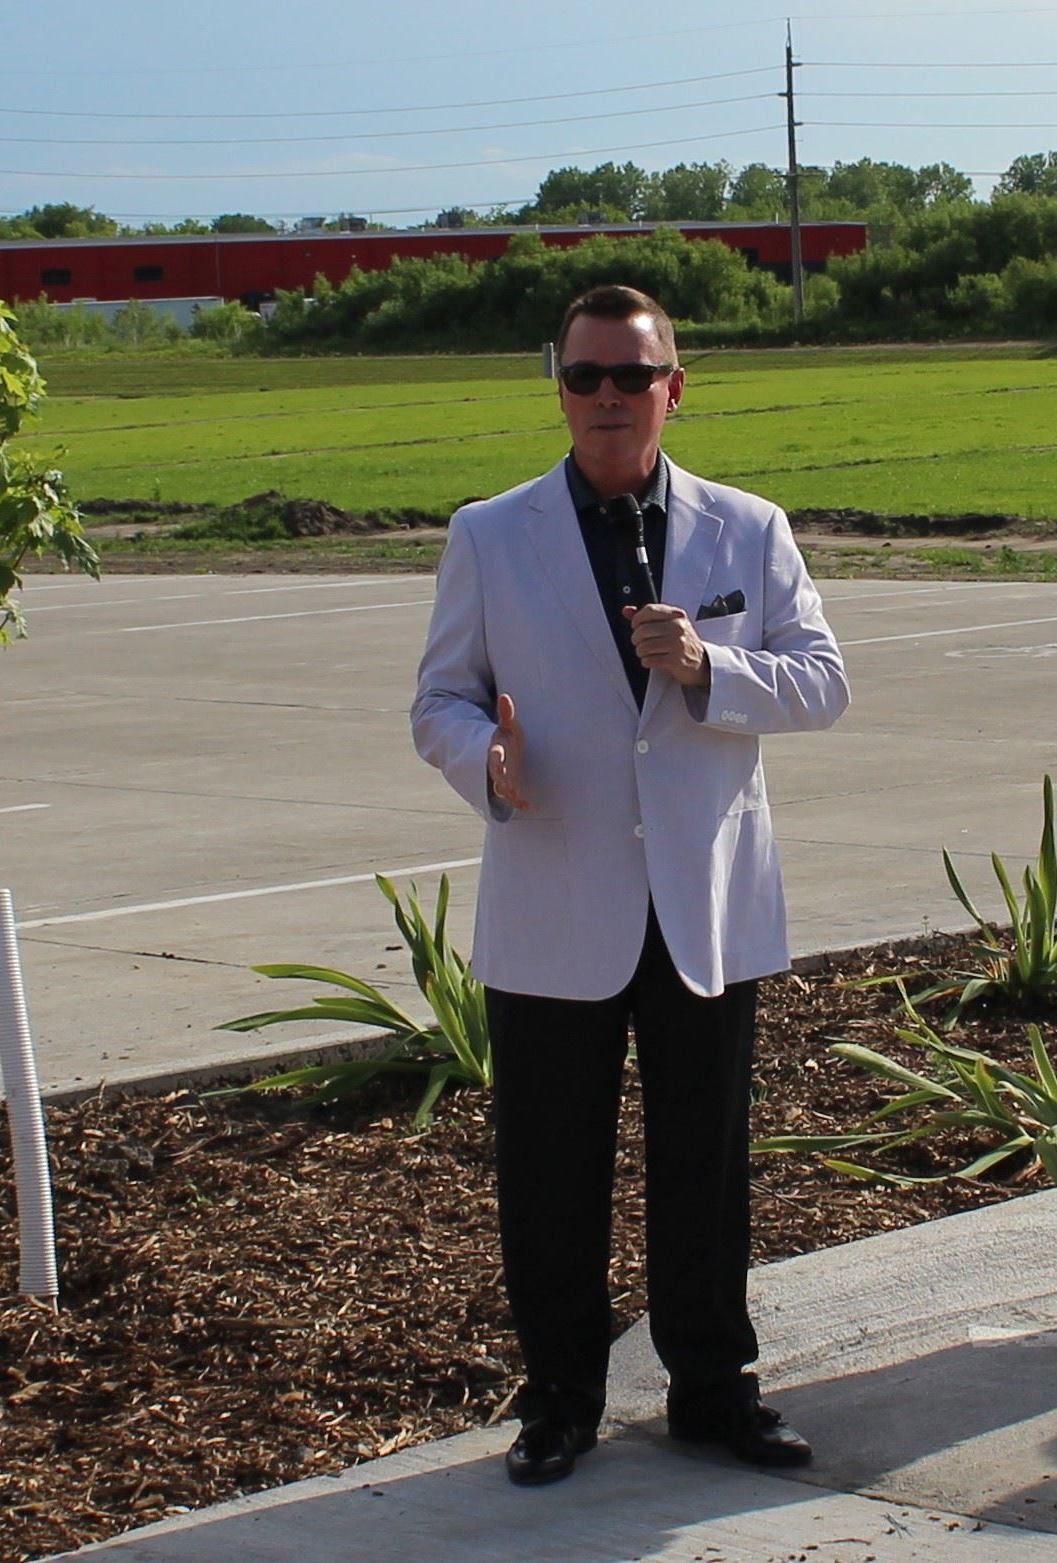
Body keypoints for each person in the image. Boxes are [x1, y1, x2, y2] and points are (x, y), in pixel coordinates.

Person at [411, 284, 849, 1484]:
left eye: (630, 375)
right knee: (551, 1168)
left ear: (674, 386)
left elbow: (822, 681)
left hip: (703, 908)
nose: (607, 397)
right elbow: (439, 696)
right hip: (556, 902)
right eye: (583, 376)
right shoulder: (490, 534)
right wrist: (480, 759)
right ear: (556, 387)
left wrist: (713, 665)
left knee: (703, 1166)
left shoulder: (745, 529)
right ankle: (558, 1399)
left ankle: (714, 1389)